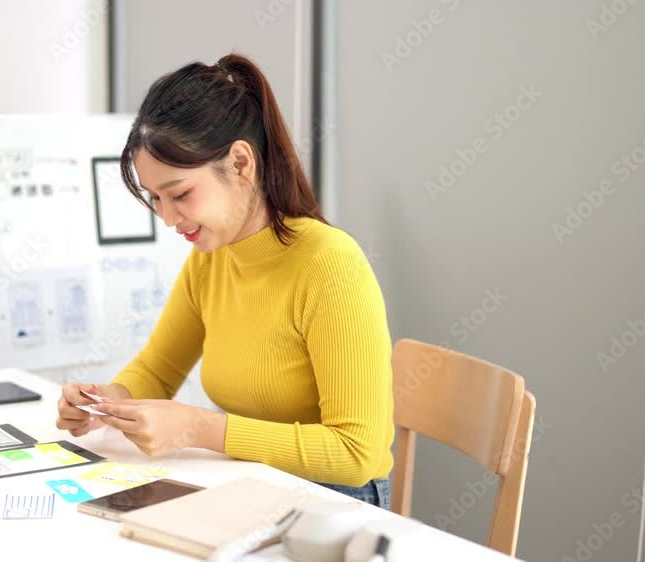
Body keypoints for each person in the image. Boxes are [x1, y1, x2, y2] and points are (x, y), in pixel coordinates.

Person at [55, 53, 394, 509]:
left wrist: (199, 427)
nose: (168, 218)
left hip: (334, 504)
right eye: (156, 199)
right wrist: (105, 402)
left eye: (180, 194)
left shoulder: (330, 266)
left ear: (240, 163)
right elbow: (158, 369)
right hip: (255, 482)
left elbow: (357, 453)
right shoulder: (211, 258)